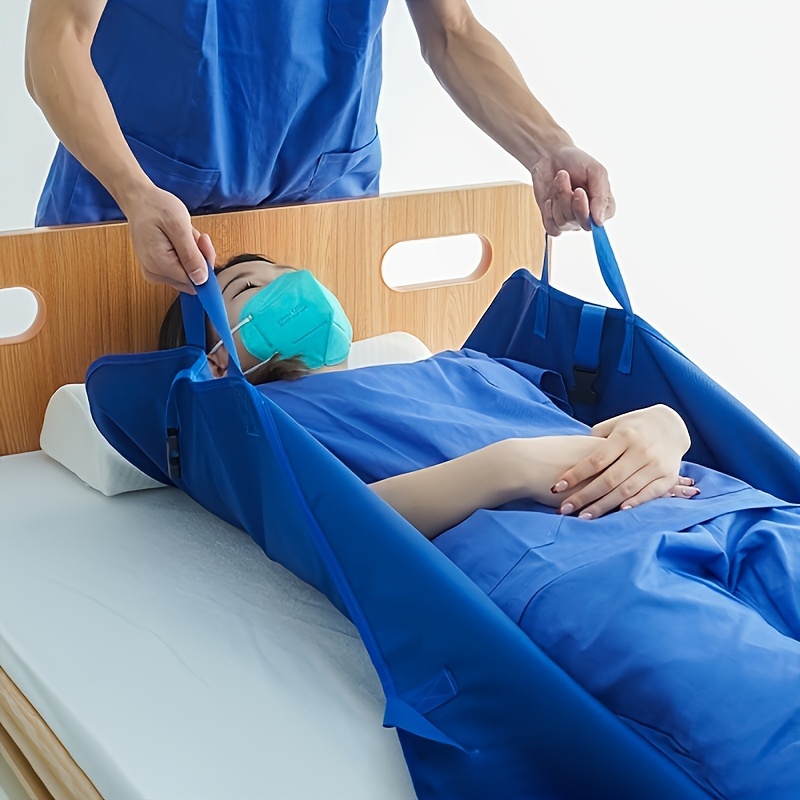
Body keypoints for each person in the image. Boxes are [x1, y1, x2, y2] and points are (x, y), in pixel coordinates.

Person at [159, 256, 800, 799]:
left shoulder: (469, 362)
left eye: (290, 275)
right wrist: (505, 468)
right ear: (214, 358)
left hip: (726, 509)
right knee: (773, 725)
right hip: (585, 571)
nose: (288, 289)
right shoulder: (265, 428)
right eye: (250, 288)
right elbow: (333, 526)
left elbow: (585, 423)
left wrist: (663, 423)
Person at [26, 0, 615, 293]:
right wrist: (134, 191)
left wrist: (547, 148)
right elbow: (56, 45)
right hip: (134, 210)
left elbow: (451, 30)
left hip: (324, 213)